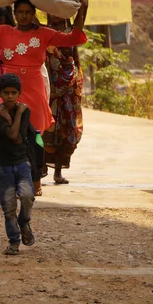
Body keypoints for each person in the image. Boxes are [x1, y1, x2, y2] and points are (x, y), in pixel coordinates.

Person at [0, 0, 88, 195]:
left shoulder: (43, 33)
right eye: (20, 12)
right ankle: (11, 180)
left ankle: (36, 178)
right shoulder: (2, 32)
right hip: (9, 93)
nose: (23, 16)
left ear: (33, 14)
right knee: (9, 135)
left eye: (27, 12)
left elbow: (73, 38)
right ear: (14, 14)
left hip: (35, 90)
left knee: (36, 137)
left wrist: (82, 10)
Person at [0, 73, 36, 256]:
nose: (10, 96)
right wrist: (14, 116)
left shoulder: (25, 111)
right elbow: (11, 136)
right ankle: (14, 241)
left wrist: (13, 117)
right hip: (3, 166)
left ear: (19, 94)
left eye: (13, 92)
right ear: (0, 93)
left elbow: (17, 138)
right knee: (8, 207)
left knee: (27, 197)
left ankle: (24, 222)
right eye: (6, 92)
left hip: (22, 163)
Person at [44, 14, 84, 185]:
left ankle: (58, 171)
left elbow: (76, 58)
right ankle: (42, 166)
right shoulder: (43, 32)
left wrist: (83, 2)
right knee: (45, 127)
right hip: (49, 86)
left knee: (66, 127)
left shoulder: (71, 32)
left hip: (69, 86)